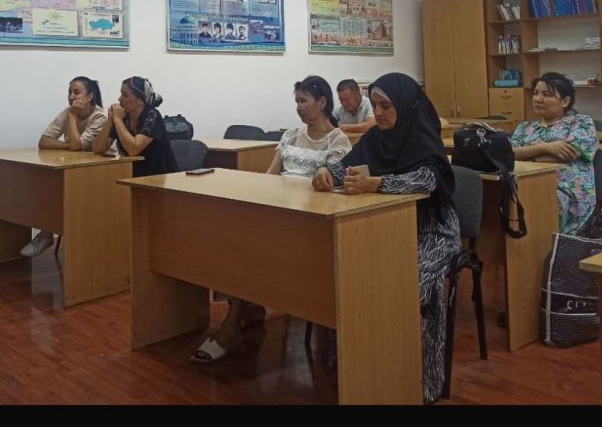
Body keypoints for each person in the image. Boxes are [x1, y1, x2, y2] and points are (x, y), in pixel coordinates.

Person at [311, 73, 459, 404]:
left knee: (408, 284)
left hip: (430, 231)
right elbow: (347, 166)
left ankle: (422, 380)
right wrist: (325, 172)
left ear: (405, 106)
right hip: (381, 227)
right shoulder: (376, 138)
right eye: (375, 105)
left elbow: (428, 179)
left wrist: (378, 184)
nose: (378, 113)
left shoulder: (421, 135)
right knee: (348, 274)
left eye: (386, 106)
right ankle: (360, 364)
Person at [191, 75, 351, 365]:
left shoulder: (338, 141)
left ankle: (233, 322)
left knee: (250, 247)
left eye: (304, 101)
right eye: (296, 101)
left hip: (309, 221)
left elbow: (331, 188)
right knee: (233, 238)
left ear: (322, 103)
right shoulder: (290, 135)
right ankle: (246, 307)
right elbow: (270, 176)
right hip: (279, 209)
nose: (298, 107)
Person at [20, 77, 107, 258]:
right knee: (45, 184)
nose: (71, 97)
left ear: (90, 96)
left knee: (61, 190)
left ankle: (52, 233)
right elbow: (44, 141)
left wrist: (73, 118)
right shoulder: (67, 112)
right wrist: (70, 145)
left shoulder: (99, 117)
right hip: (74, 169)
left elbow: (77, 145)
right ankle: (46, 233)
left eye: (77, 92)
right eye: (69, 92)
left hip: (99, 174)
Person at [510, 72, 597, 235]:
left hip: (566, 190)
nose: (538, 99)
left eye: (546, 94)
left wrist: (527, 155)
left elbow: (567, 154)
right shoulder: (525, 127)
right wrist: (546, 148)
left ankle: (545, 248)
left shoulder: (580, 122)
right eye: (536, 93)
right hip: (525, 183)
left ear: (565, 101)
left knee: (536, 205)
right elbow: (509, 154)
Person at [92, 77, 178, 177]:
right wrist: (110, 120)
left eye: (125, 95)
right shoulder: (123, 116)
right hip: (132, 174)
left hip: (160, 176)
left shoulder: (152, 115)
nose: (120, 99)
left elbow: (133, 150)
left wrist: (118, 120)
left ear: (140, 100)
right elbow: (98, 149)